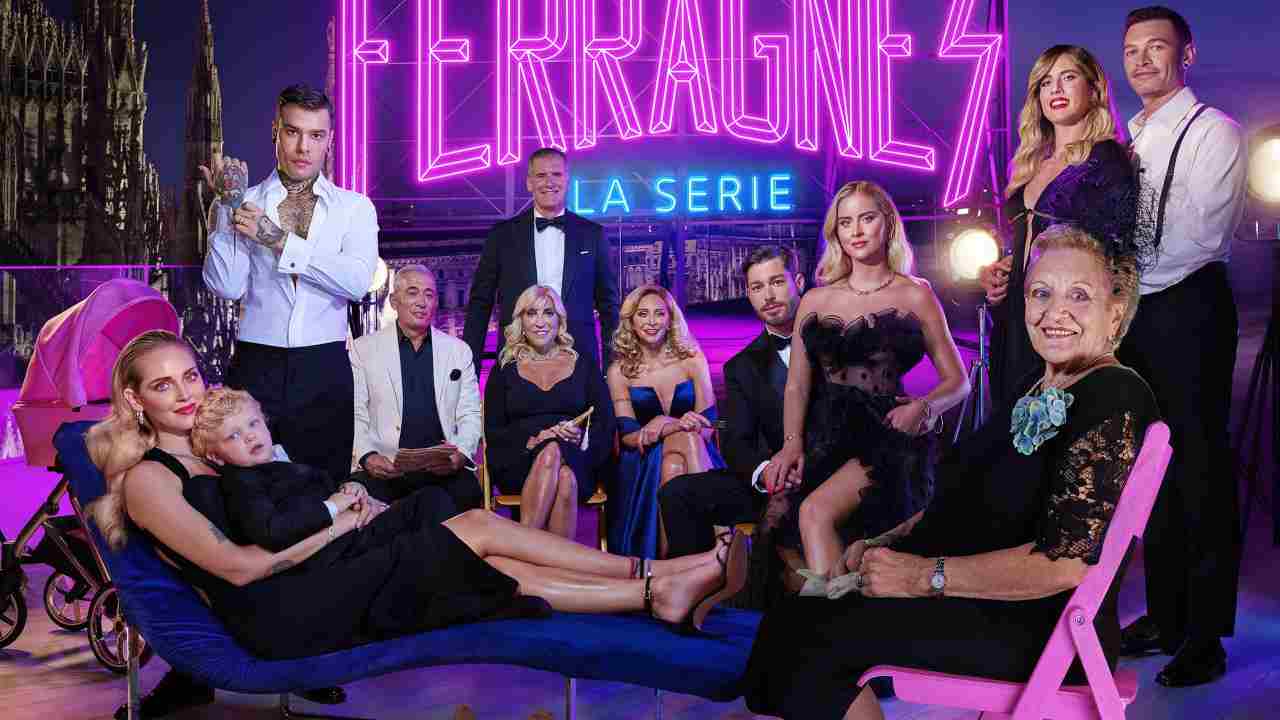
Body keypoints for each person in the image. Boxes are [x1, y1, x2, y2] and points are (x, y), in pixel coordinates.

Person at [84, 331, 749, 675]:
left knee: (472, 537)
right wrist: (340, 524)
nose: (185, 393)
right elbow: (239, 568)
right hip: (282, 613)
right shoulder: (147, 479)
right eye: (163, 386)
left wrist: (349, 509)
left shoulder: (218, 450)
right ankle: (656, 582)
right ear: (135, 399)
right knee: (467, 539)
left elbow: (289, 500)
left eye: (190, 376)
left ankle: (654, 585)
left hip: (315, 576)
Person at [743, 223, 1160, 720]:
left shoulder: (1115, 395)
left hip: (1035, 625)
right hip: (987, 601)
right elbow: (972, 499)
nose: (1055, 312)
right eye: (1041, 293)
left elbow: (1065, 564)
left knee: (806, 640)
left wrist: (922, 576)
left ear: (1116, 313)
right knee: (794, 619)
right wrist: (886, 542)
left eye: (1079, 295)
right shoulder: (1035, 387)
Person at [1114, 6, 1247, 687]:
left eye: (1156, 47)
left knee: (1200, 469)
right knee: (1151, 471)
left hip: (1188, 306)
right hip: (1136, 312)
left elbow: (1200, 237)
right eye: (1131, 50)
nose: (1141, 60)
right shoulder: (1129, 136)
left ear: (1185, 54)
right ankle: (1166, 616)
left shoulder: (1214, 130)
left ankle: (1206, 634)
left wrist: (1123, 282)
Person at [762, 182, 969, 598]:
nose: (856, 231)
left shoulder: (915, 294)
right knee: (797, 535)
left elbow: (958, 381)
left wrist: (925, 408)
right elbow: (798, 384)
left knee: (816, 513)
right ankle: (842, 623)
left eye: (867, 218)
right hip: (825, 435)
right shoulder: (815, 300)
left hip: (886, 434)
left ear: (887, 223)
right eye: (845, 222)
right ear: (835, 233)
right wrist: (791, 444)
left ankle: (839, 625)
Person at [200, 84, 376, 485]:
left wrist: (277, 239)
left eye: (316, 135)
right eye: (293, 132)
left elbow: (356, 283)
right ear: (275, 132)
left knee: (324, 487)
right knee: (249, 488)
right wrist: (226, 208)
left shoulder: (354, 208)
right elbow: (226, 286)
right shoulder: (244, 200)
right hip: (256, 364)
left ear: (330, 140)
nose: (303, 147)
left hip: (324, 368)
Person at [980, 45, 1139, 408]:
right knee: (1012, 418)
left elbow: (1114, 254)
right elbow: (1028, 242)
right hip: (1016, 314)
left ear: (1093, 89)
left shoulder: (1107, 159)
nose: (1056, 89)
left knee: (1059, 421)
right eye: (1046, 82)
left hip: (1066, 318)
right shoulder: (1030, 164)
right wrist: (1001, 271)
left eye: (1068, 77)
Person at [192, 388, 458, 572]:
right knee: (429, 506)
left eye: (253, 424)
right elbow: (272, 530)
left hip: (352, 532)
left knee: (431, 500)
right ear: (215, 456)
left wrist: (350, 489)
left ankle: (448, 568)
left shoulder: (279, 459)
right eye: (233, 436)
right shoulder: (240, 481)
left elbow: (317, 491)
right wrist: (334, 505)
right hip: (333, 554)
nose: (250, 436)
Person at [658, 246, 804, 559]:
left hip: (825, 473)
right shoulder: (740, 366)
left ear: (800, 282)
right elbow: (735, 439)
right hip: (770, 480)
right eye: (757, 287)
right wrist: (764, 471)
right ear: (748, 295)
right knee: (677, 494)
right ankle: (700, 582)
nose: (768, 296)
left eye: (777, 282)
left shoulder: (830, 341)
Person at [463, 147, 620, 370]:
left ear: (567, 179)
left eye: (556, 174)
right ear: (529, 183)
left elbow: (609, 308)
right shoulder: (502, 236)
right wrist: (470, 372)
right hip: (516, 359)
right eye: (541, 175)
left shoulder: (593, 235)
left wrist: (612, 370)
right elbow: (480, 305)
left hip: (580, 361)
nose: (549, 182)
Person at [483, 285, 616, 538]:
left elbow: (605, 422)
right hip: (519, 459)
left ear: (559, 320)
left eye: (548, 313)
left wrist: (581, 437)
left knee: (560, 462)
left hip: (577, 458)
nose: (540, 322)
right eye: (531, 313)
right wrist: (532, 440)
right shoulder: (505, 369)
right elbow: (494, 429)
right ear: (521, 321)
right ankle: (552, 560)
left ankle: (522, 551)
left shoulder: (583, 364)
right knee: (559, 468)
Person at [349, 264, 484, 512]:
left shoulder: (458, 351)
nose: (422, 302)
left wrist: (461, 454)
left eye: (429, 294)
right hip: (385, 468)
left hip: (442, 469)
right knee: (357, 501)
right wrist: (368, 457)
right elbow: (355, 413)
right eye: (412, 293)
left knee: (466, 495)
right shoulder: (362, 349)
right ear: (394, 301)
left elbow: (470, 415)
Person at [607, 285, 725, 558]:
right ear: (631, 321)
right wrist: (669, 427)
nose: (651, 322)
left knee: (676, 461)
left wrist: (668, 423)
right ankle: (721, 537)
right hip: (643, 459)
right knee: (680, 447)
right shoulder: (619, 371)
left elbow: (713, 425)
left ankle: (672, 563)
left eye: (659, 314)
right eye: (643, 314)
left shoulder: (692, 359)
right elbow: (628, 435)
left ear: (671, 318)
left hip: (697, 449)